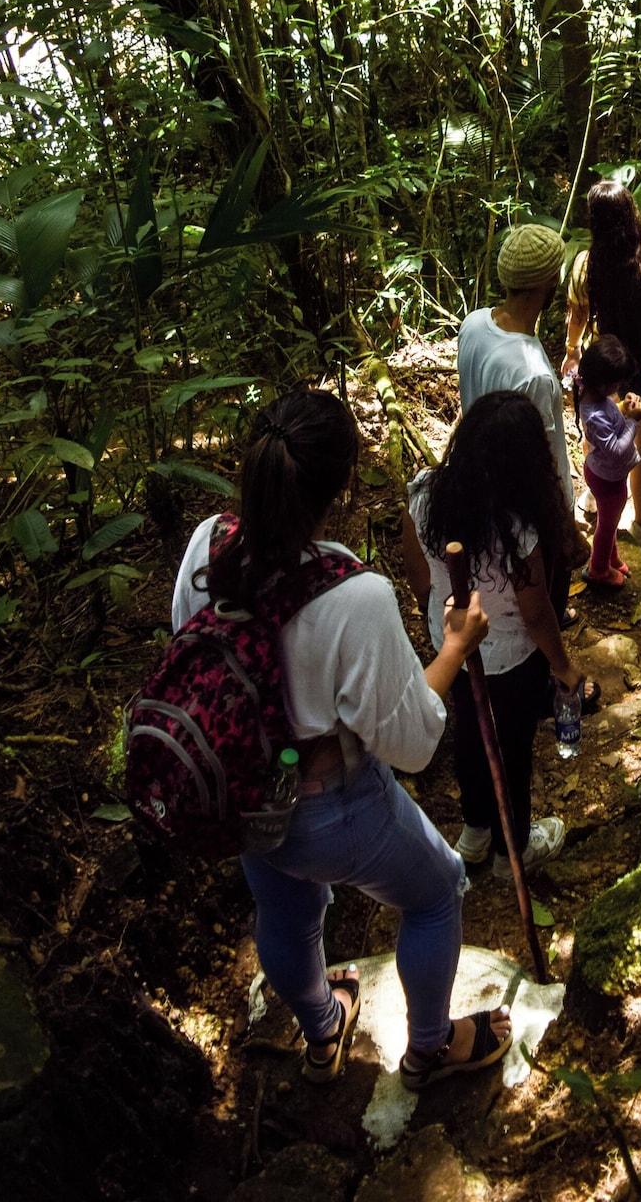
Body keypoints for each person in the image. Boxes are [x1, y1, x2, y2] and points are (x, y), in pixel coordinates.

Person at [171, 389, 511, 1093]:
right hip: (333, 809)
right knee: (437, 890)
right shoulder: (352, 595)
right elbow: (411, 741)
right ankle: (429, 1047)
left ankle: (324, 1028)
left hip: (241, 795)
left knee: (286, 908)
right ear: (342, 485)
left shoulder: (206, 545)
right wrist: (453, 647)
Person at [399, 392, 581, 873]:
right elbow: (537, 613)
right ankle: (511, 851)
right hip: (512, 659)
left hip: (453, 646)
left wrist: (434, 609)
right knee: (512, 749)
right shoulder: (518, 530)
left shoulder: (424, 497)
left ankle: (476, 830)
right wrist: (563, 665)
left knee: (470, 734)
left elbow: (416, 568)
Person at [561, 180, 641, 552]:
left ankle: (593, 496)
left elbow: (578, 312)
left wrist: (572, 349)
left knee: (595, 436)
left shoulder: (586, 264)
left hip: (599, 370)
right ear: (632, 215)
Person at [456, 223, 573, 507]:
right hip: (525, 510)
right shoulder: (534, 375)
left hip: (483, 486)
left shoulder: (473, 323)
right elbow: (543, 466)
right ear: (549, 282)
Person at [573, 335, 641, 587]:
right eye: (618, 383)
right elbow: (615, 449)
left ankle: (610, 558)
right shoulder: (594, 414)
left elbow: (611, 419)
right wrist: (634, 421)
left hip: (604, 473)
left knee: (609, 520)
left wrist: (624, 408)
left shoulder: (594, 395)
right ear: (604, 384)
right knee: (606, 525)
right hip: (607, 479)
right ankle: (598, 569)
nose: (620, 387)